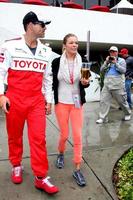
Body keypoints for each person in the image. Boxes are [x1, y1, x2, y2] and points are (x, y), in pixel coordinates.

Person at [0, 11, 59, 194]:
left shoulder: (46, 51)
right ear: (30, 25)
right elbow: (0, 72)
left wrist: (48, 100)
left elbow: (48, 78)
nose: (45, 28)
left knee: (39, 139)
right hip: (15, 99)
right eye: (42, 24)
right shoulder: (9, 46)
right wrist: (1, 95)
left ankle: (41, 177)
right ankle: (16, 165)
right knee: (14, 135)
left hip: (36, 101)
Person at [51, 33, 90, 187]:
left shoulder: (83, 61)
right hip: (61, 102)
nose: (74, 45)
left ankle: (77, 168)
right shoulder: (56, 62)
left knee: (78, 136)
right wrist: (48, 100)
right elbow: (51, 82)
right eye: (71, 42)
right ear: (64, 45)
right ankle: (60, 153)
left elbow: (85, 82)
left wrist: (85, 82)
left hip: (77, 103)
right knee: (64, 134)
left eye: (76, 43)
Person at [96, 46, 131, 124]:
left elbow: (123, 71)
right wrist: (106, 62)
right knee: (104, 101)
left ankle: (127, 113)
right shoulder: (108, 61)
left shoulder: (121, 60)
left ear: (117, 52)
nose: (112, 53)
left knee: (122, 101)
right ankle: (102, 117)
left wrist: (116, 63)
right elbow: (101, 70)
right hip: (107, 84)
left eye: (114, 51)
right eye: (111, 52)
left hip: (117, 84)